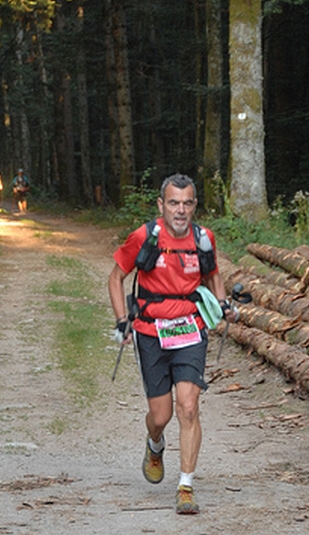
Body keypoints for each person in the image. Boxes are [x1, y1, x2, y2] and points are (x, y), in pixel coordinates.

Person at [108, 173, 236, 515]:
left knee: (189, 407)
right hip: (151, 332)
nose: (181, 210)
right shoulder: (144, 236)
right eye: (174, 203)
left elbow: (213, 275)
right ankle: (155, 443)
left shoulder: (203, 238)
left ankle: (185, 486)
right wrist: (123, 321)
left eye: (187, 203)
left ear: (195, 205)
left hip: (190, 330)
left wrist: (223, 305)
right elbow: (116, 276)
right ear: (161, 205)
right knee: (161, 415)